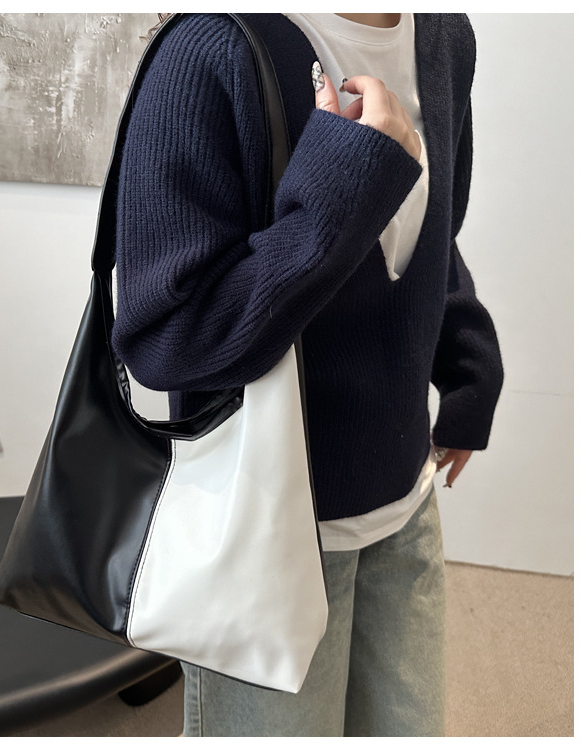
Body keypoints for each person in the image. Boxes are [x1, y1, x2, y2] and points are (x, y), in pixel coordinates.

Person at [112, 12, 504, 737]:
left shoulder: (445, 36)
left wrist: (466, 358)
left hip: (402, 495)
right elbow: (170, 340)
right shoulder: (209, 48)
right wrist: (344, 185)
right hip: (265, 527)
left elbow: (431, 235)